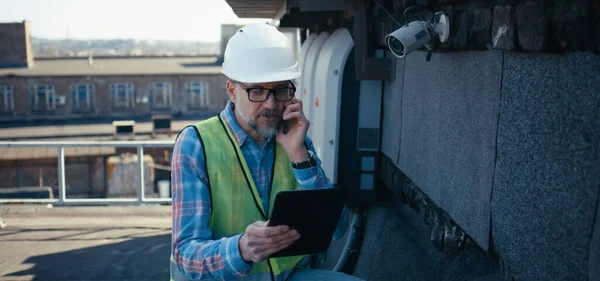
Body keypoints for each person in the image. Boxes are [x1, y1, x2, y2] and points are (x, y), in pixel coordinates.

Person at [169, 23, 362, 281]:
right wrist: (242, 249)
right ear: (232, 91)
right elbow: (186, 256)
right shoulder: (196, 144)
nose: (271, 104)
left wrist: (299, 156)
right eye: (257, 90)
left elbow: (338, 228)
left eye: (281, 89)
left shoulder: (292, 137)